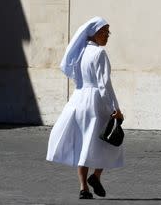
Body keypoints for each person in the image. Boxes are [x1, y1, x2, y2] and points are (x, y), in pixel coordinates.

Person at [46, 17, 124, 199]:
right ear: (95, 33)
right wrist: (116, 108)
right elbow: (104, 84)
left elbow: (77, 78)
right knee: (108, 139)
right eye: (105, 32)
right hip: (96, 102)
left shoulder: (79, 53)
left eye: (108, 33)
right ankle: (95, 176)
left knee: (84, 143)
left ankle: (83, 188)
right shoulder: (99, 54)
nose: (107, 36)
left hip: (78, 100)